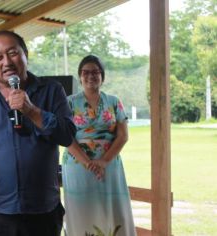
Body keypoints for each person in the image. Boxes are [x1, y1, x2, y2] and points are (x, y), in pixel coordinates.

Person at [0, 30, 76, 236]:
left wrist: (32, 112)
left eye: (13, 53)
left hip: (43, 209)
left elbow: (67, 136)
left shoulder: (52, 90)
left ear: (26, 54)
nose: (7, 62)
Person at [62, 55, 136, 236]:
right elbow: (66, 137)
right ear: (80, 76)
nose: (90, 76)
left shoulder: (114, 101)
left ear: (102, 76)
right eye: (85, 72)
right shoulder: (69, 102)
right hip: (77, 165)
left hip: (109, 164)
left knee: (111, 208)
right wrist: (88, 163)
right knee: (83, 210)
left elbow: (123, 135)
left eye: (95, 72)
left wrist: (103, 161)